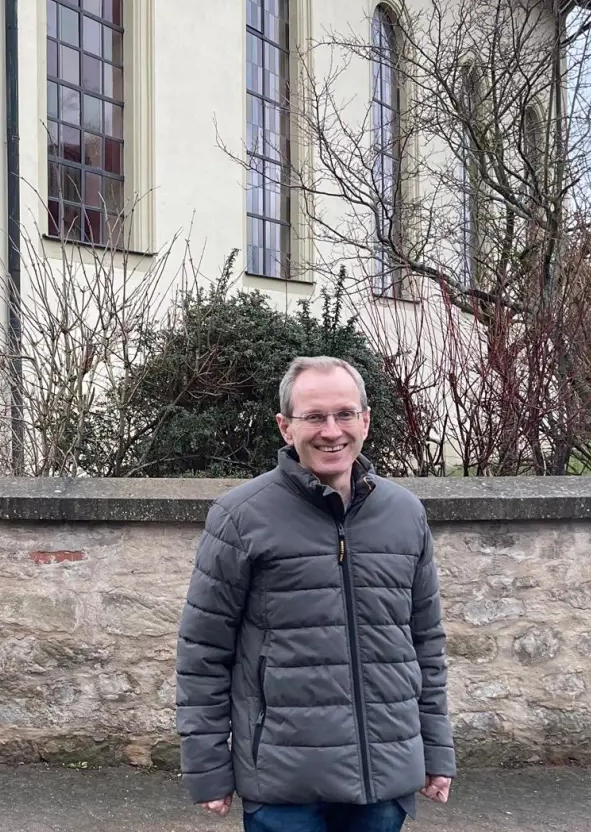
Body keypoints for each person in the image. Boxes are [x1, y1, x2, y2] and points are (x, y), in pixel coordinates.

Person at [174, 355, 455, 832]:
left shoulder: (405, 513)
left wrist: (435, 749)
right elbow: (203, 650)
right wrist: (207, 767)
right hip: (284, 783)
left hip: (381, 779)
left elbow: (425, 643)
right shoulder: (240, 517)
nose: (332, 430)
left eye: (345, 414)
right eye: (314, 417)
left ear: (365, 420)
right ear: (286, 427)